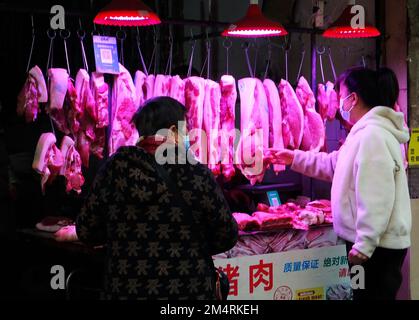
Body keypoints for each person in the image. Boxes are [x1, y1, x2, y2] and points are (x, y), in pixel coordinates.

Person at [266, 67, 411, 300]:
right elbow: (334, 164)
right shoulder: (363, 133)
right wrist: (293, 157)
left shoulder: (372, 136)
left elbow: (377, 197)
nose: (338, 101)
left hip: (376, 251)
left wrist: (364, 245)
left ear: (353, 98)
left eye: (341, 94)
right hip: (369, 247)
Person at [76, 97, 238, 300]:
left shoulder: (114, 169)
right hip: (188, 290)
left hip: (124, 289)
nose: (188, 135)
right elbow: (227, 234)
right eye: (185, 130)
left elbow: (86, 230)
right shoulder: (195, 173)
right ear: (172, 131)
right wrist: (188, 245)